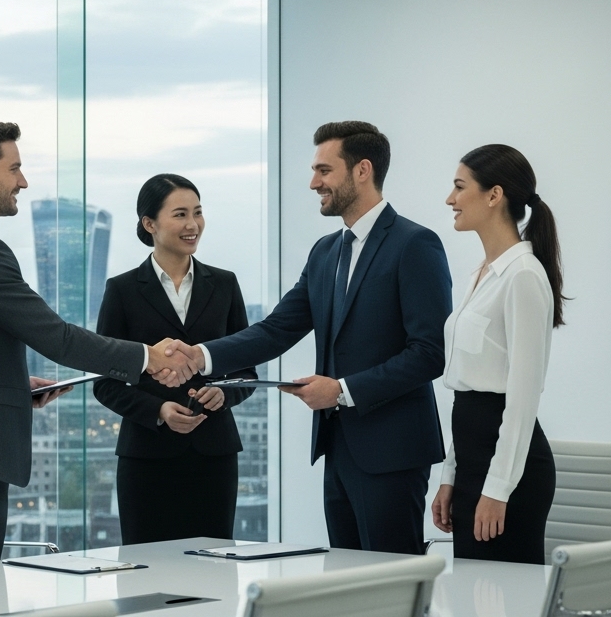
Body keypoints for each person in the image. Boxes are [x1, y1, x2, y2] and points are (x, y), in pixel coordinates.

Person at [0, 118, 200, 567]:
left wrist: (13, 383)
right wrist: (146, 356)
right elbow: (56, 337)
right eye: (14, 168)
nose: (23, 181)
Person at [165, 121, 451, 555]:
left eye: (324, 170)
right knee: (346, 583)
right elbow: (276, 329)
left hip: (393, 451)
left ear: (362, 171)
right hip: (338, 449)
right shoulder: (326, 252)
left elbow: (430, 354)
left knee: (391, 584)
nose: (313, 182)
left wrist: (341, 390)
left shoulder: (415, 245)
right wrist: (201, 355)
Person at [93, 174, 258, 544]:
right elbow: (105, 384)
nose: (192, 225)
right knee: (147, 573)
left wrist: (224, 395)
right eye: (180, 214)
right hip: (147, 458)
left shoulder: (225, 284)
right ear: (149, 224)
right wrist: (158, 410)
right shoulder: (121, 291)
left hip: (214, 455)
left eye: (198, 213)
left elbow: (247, 369)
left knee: (214, 569)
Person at [430, 145, 565, 565]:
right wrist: (450, 475)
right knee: (475, 596)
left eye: (459, 187)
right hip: (473, 459)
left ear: (494, 195)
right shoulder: (483, 274)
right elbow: (466, 392)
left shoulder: (523, 276)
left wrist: (498, 488)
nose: (450, 199)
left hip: (508, 472)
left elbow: (523, 398)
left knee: (500, 600)